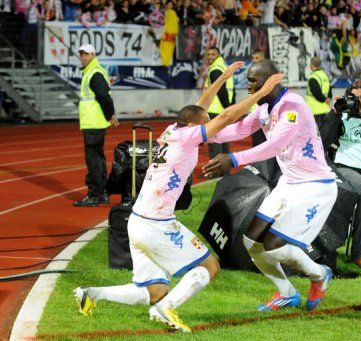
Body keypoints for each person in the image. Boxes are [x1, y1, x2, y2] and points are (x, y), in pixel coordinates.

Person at [73, 61, 284, 332]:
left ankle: (91, 293)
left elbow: (200, 106)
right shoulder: (189, 136)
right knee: (208, 266)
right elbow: (226, 117)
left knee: (154, 289)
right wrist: (261, 92)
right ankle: (165, 310)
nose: (210, 124)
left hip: (137, 221)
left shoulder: (174, 128)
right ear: (196, 125)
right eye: (206, 122)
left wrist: (223, 78)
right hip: (156, 223)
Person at [203, 60, 337, 312]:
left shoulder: (292, 107)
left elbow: (275, 145)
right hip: (289, 182)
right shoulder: (263, 106)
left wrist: (233, 159)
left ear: (271, 80)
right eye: (248, 81)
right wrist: (206, 134)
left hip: (314, 186)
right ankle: (287, 293)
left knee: (274, 245)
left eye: (253, 81)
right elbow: (240, 128)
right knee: (251, 241)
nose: (248, 86)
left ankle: (319, 274)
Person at [322, 80, 361, 270]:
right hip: (345, 169)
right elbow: (323, 141)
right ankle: (360, 253)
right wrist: (334, 113)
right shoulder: (342, 115)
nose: (356, 102)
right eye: (353, 98)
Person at [74, 44, 119, 207]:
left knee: (93, 159)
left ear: (92, 55)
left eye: (85, 54)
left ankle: (95, 194)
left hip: (94, 122)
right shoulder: (92, 71)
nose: (82, 57)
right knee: (98, 158)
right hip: (94, 122)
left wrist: (110, 115)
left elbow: (104, 97)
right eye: (81, 54)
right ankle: (102, 193)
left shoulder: (94, 73)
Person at [205, 46, 235, 165]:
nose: (209, 57)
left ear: (218, 55)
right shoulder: (224, 66)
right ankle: (225, 170)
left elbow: (220, 90)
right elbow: (232, 89)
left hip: (214, 111)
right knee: (225, 141)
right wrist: (230, 108)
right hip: (224, 110)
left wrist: (227, 107)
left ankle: (216, 171)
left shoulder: (215, 70)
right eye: (208, 54)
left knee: (214, 142)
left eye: (212, 54)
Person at [305, 57, 332, 128]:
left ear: (311, 65)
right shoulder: (325, 76)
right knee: (324, 134)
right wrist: (328, 98)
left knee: (316, 135)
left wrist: (324, 99)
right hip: (325, 109)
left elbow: (316, 93)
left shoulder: (313, 78)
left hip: (315, 112)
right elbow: (330, 91)